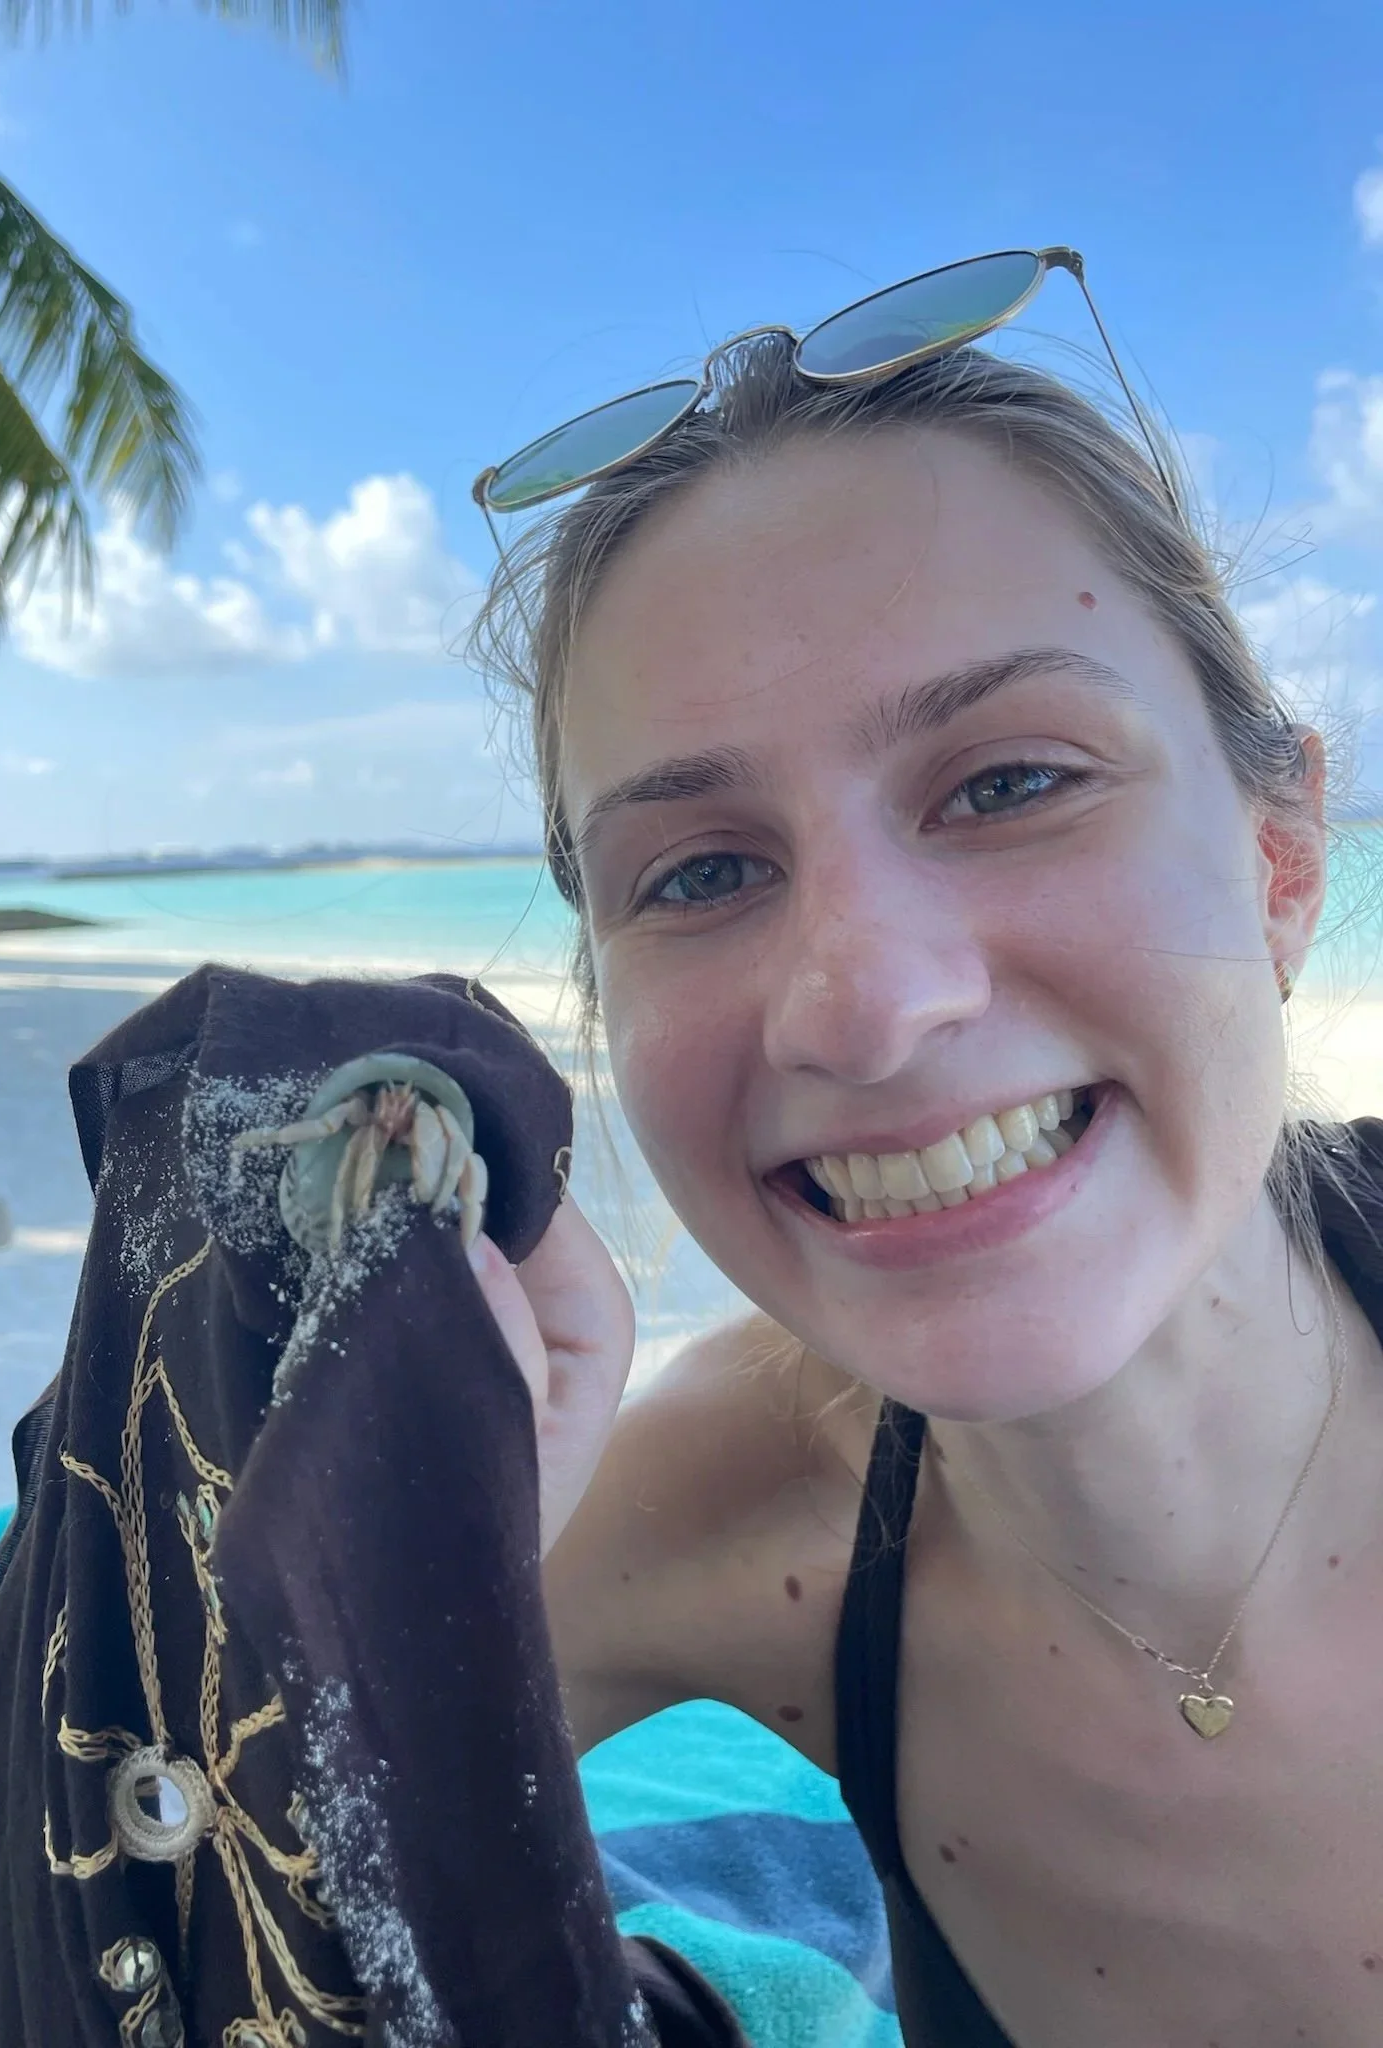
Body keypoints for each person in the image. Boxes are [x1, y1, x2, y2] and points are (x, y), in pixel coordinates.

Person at [462, 253, 1383, 2047]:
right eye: (704, 871)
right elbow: (95, 1860)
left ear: (1281, 862)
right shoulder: (691, 1516)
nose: (867, 1005)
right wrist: (396, 1476)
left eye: (1010, 781)